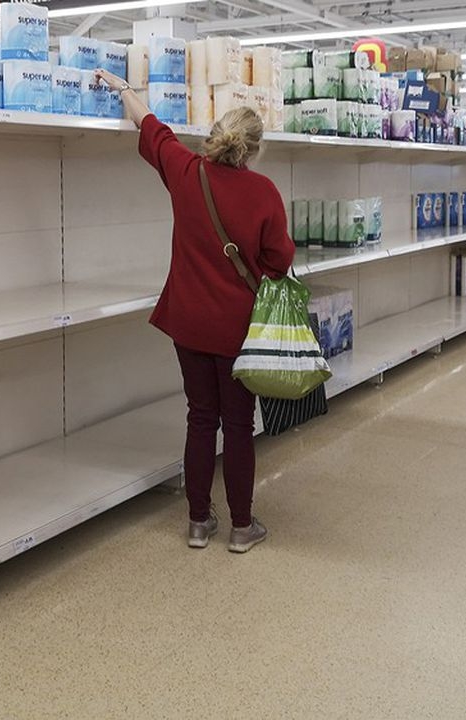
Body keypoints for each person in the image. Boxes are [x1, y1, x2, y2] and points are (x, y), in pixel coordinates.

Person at [94, 68, 295, 553]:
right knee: (239, 425)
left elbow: (152, 129)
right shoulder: (264, 192)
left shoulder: (187, 173)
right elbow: (280, 260)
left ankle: (198, 523)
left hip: (188, 324)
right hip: (236, 330)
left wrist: (123, 89)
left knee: (200, 418)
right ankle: (242, 528)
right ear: (253, 148)